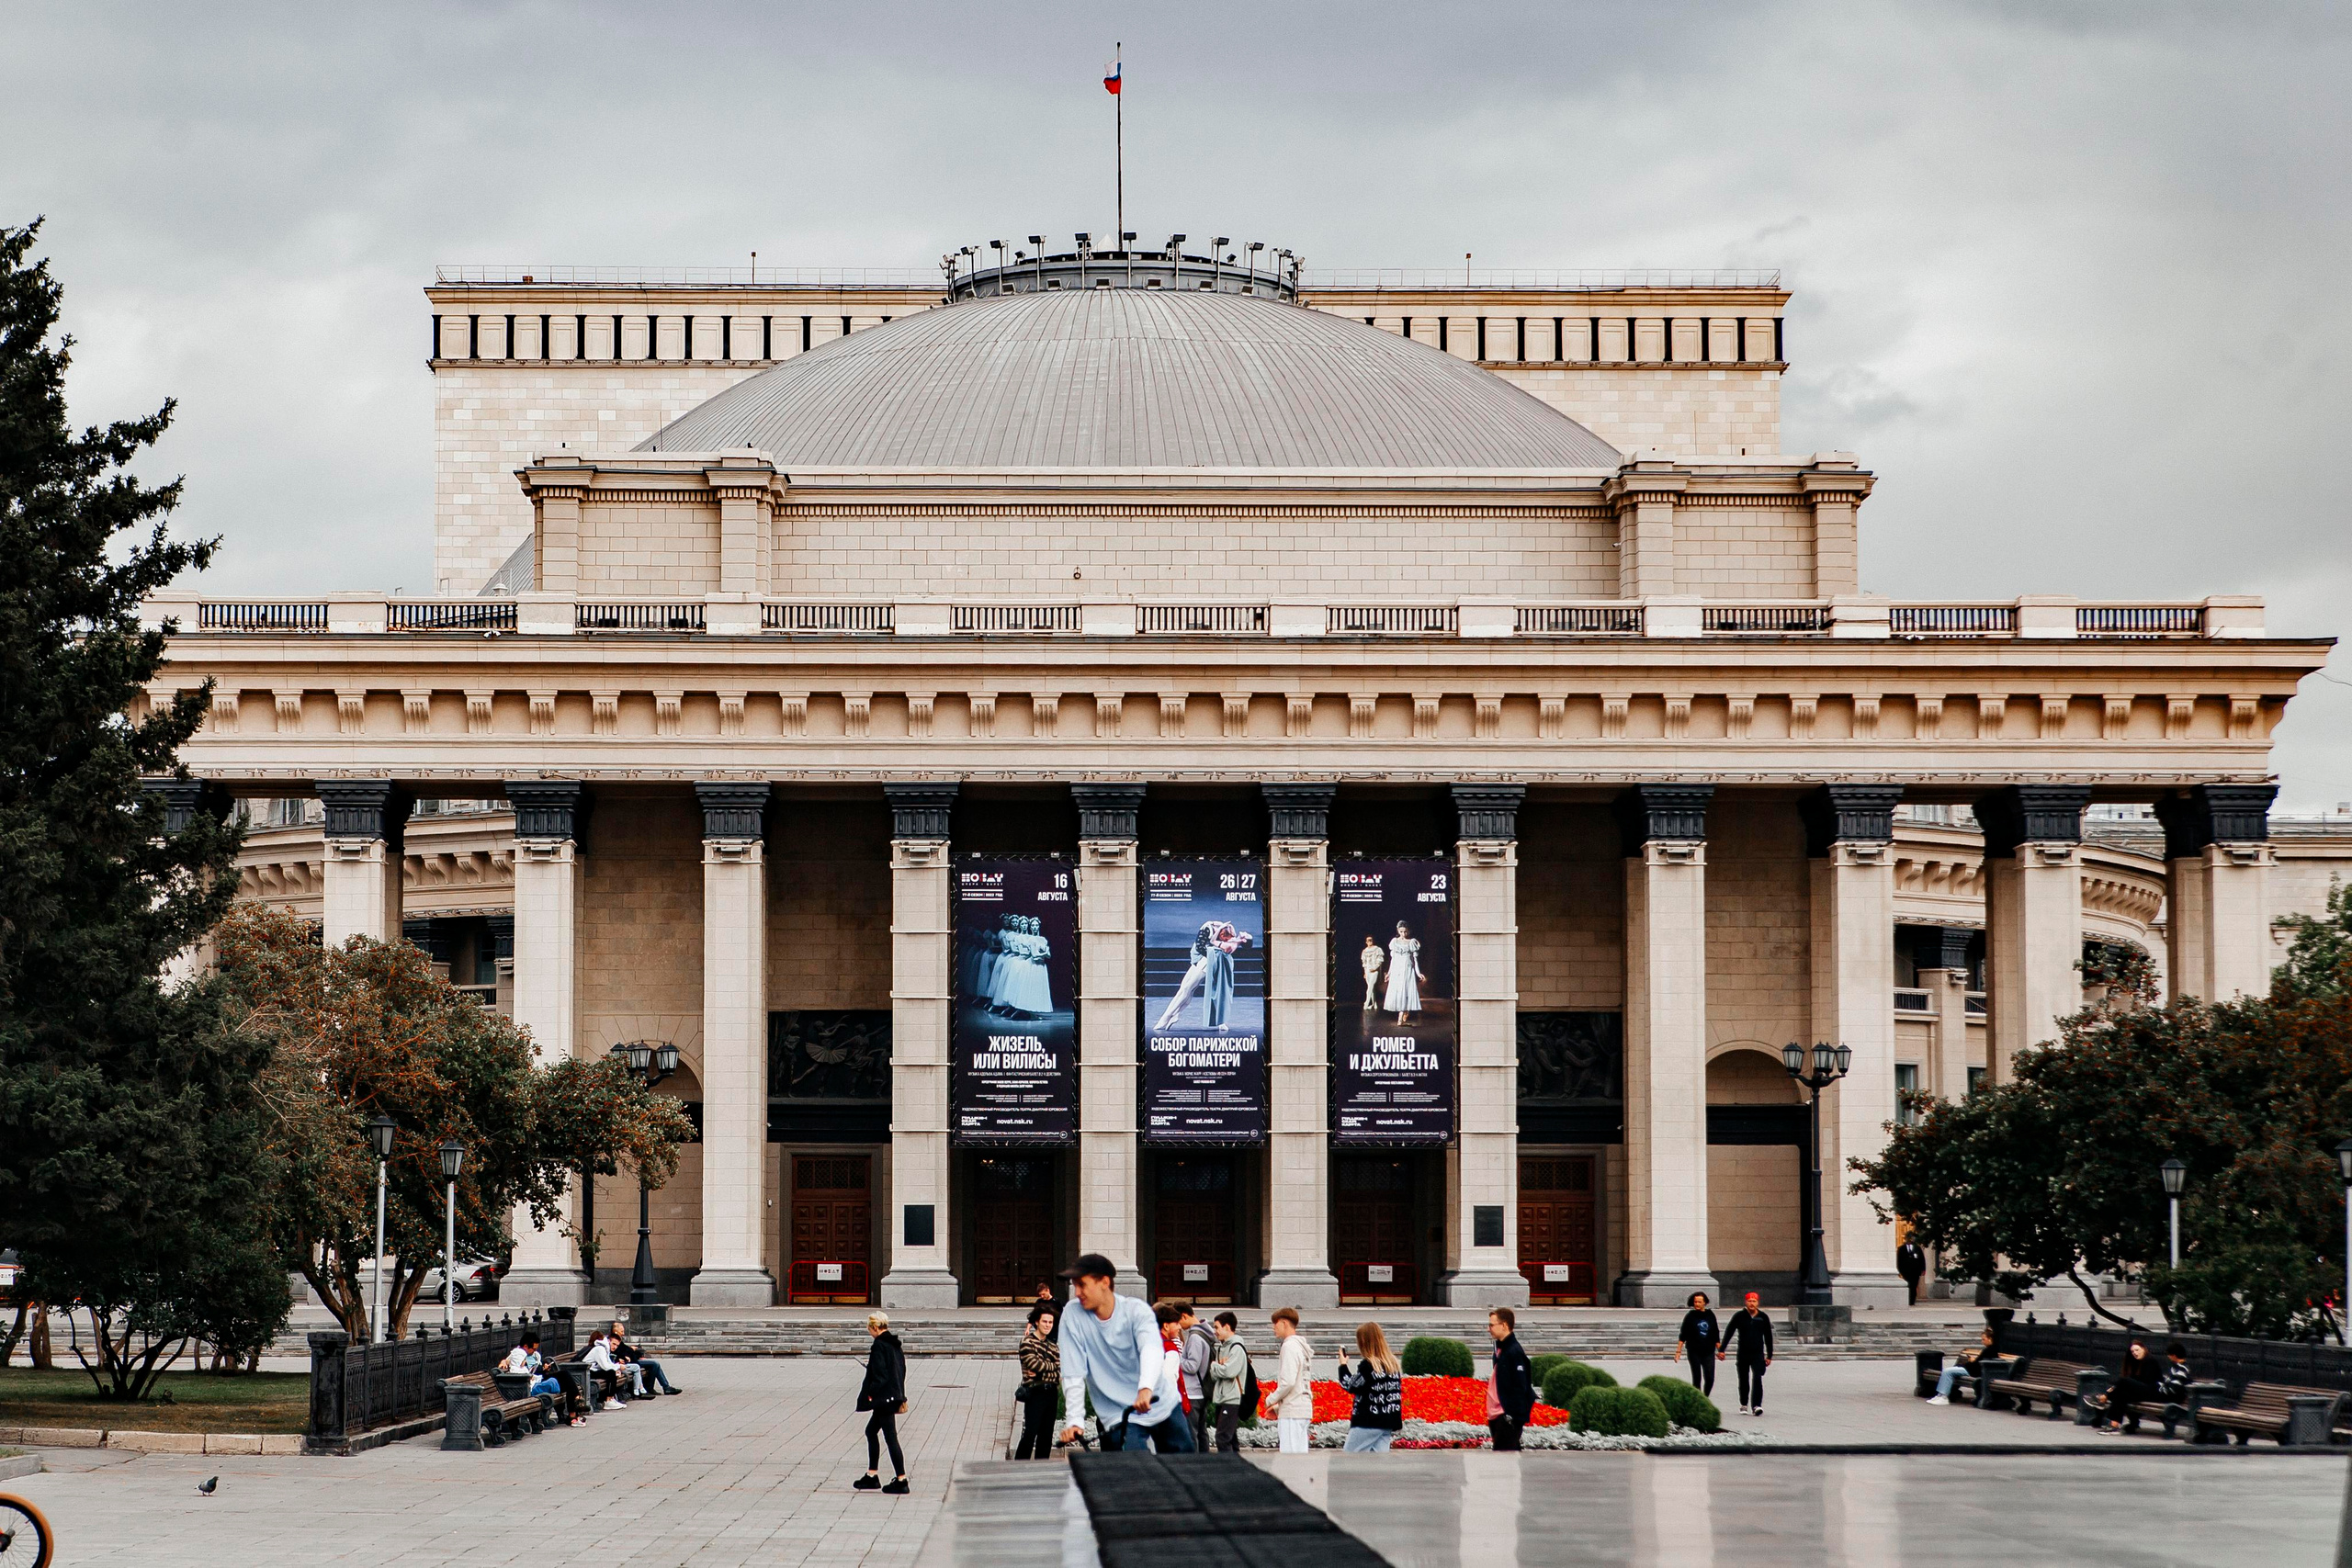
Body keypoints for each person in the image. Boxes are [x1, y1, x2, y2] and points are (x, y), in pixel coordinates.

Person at [1056, 1253, 1195, 1453]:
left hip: (1159, 1401)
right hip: (1118, 1414)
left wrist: (1146, 1388)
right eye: (1074, 1285)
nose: (1077, 1292)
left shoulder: (1136, 1311)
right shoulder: (1072, 1315)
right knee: (1133, 1472)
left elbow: (1151, 1349)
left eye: (1082, 1285)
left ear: (1104, 1282)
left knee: (1186, 1467)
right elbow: (1073, 1372)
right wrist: (1075, 1421)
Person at [854, 1311, 910, 1494]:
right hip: (893, 1395)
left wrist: (871, 1394)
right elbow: (900, 1369)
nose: (869, 1330)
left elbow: (880, 1374)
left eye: (869, 1327)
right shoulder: (894, 1344)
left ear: (875, 1327)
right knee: (871, 1431)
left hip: (884, 1398)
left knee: (890, 1437)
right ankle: (872, 1475)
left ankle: (901, 1480)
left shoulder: (879, 1345)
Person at [1335, 1322, 1405, 1452]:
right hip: (1388, 1421)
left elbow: (1350, 1385)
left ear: (1363, 1343)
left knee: (1349, 1460)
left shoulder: (1368, 1366)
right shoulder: (1392, 1364)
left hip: (1367, 1421)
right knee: (1378, 1463)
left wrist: (1343, 1366)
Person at [1265, 1307, 1316, 1453]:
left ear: (1284, 1323)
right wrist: (1278, 1407)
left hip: (1292, 1412)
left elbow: (1288, 1382)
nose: (1274, 1328)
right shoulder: (1301, 1346)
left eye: (1276, 1323)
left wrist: (1271, 1399)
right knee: (1299, 1455)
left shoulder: (1289, 1346)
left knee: (1290, 1458)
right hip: (1302, 1408)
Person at [501, 1330, 577, 1425]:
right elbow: (509, 1361)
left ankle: (573, 1410)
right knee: (565, 1380)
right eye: (533, 1349)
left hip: (539, 1377)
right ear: (525, 1346)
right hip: (533, 1382)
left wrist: (544, 1367)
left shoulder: (534, 1355)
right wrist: (504, 1362)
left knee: (565, 1377)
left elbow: (537, 1367)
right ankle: (574, 1410)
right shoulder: (518, 1354)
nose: (535, 1351)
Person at [1016, 1303, 1060, 1460]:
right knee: (1030, 1434)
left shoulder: (1053, 1346)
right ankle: (1018, 1467)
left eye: (1050, 1322)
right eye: (1045, 1322)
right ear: (1036, 1322)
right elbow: (1034, 1364)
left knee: (1046, 1436)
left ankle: (1042, 1469)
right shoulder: (1027, 1342)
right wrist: (1052, 1367)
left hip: (1051, 1393)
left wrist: (1047, 1370)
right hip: (1035, 1392)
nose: (1048, 1325)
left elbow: (1059, 1370)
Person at [1172, 1303, 1217, 1452]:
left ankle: (1195, 1463)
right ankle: (1204, 1463)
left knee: (1192, 1432)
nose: (1179, 1327)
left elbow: (1192, 1366)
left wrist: (1176, 1358)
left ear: (1184, 1316)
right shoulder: (1205, 1333)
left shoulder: (1195, 1337)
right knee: (1201, 1431)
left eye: (1179, 1322)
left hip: (1193, 1391)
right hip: (1202, 1390)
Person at [1207, 1312, 1253, 1453]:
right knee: (1230, 1437)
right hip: (1222, 1398)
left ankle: (1228, 1467)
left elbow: (1228, 1372)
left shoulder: (1236, 1348)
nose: (1215, 1331)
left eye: (1217, 1327)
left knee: (1222, 1437)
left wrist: (1214, 1366)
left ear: (1227, 1327)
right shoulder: (1222, 1347)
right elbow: (1217, 1375)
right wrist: (1219, 1367)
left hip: (1232, 1398)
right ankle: (1237, 1468)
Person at [2096, 1338, 2165, 1434]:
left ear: (2143, 1349)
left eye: (2137, 1350)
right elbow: (2133, 1380)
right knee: (2121, 1394)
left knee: (2123, 1381)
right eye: (2133, 1351)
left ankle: (2105, 1396)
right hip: (2142, 1391)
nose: (2135, 1353)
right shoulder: (2136, 1363)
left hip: (2153, 1392)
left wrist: (2111, 1391)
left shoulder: (2150, 1361)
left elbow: (2146, 1381)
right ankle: (2114, 1425)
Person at [1723, 1292, 1773, 1416]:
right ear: (1745, 1302)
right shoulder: (1739, 1316)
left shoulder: (1763, 1317)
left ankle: (1756, 1405)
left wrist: (1769, 1355)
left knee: (1757, 1378)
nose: (1752, 1303)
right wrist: (1722, 1349)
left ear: (1758, 1302)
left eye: (1754, 1301)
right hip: (1743, 1353)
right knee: (1743, 1379)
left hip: (1758, 1354)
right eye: (1749, 1301)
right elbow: (1729, 1332)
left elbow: (1768, 1336)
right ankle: (1744, 1404)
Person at [1927, 1327, 1996, 1404]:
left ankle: (1943, 1397)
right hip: (1971, 1369)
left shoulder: (1990, 1350)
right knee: (1948, 1371)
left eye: (1984, 1339)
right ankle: (1940, 1395)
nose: (1982, 1341)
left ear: (1990, 1339)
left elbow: (1978, 1365)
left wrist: (1972, 1361)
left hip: (1973, 1371)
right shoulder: (1988, 1350)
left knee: (1947, 1372)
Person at [610, 1320, 680, 1396]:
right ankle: (656, 1387)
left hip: (633, 1361)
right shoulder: (614, 1341)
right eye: (622, 1331)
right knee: (654, 1364)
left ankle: (664, 1387)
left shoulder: (618, 1340)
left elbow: (625, 1351)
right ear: (615, 1331)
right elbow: (620, 1353)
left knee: (654, 1364)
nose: (623, 1333)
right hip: (628, 1363)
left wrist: (638, 1355)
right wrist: (630, 1350)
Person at [1672, 1292, 1720, 1394]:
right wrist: (1678, 1351)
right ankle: (1698, 1401)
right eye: (1695, 1302)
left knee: (1710, 1378)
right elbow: (1683, 1334)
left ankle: (1705, 1397)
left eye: (1699, 1302)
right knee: (1697, 1378)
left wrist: (1720, 1349)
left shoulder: (1710, 1315)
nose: (1697, 1304)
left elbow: (1715, 1332)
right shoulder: (1690, 1316)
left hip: (1708, 1351)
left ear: (1705, 1303)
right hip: (1694, 1351)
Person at [1383, 921, 1424, 1024]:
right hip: (1397, 968)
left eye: (1405, 932)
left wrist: (1418, 973)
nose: (1403, 934)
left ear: (1408, 931)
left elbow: (1415, 960)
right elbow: (1393, 960)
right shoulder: (1394, 941)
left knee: (1406, 990)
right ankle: (1402, 1015)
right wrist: (1389, 973)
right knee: (1399, 991)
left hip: (1408, 967)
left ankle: (1402, 1016)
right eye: (1401, 932)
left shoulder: (1411, 942)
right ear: (1398, 931)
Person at [583, 1328, 633, 1406]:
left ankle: (610, 1398)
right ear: (609, 1341)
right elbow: (606, 1367)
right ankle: (608, 1400)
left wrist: (617, 1368)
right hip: (587, 1372)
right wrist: (618, 1366)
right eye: (614, 1344)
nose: (615, 1347)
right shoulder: (600, 1349)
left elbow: (609, 1363)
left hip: (593, 1370)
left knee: (612, 1373)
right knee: (611, 1373)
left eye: (617, 1345)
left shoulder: (605, 1349)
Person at [1896, 1239, 1928, 1307]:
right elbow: (1899, 1261)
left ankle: (1912, 1301)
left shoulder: (1917, 1248)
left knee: (1913, 1286)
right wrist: (1899, 1271)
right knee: (1908, 1285)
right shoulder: (1901, 1249)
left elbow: (1922, 1259)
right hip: (1905, 1272)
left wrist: (1923, 1270)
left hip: (1915, 1271)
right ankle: (1907, 1300)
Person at [1359, 935, 1385, 1010]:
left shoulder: (1377, 949)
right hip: (1368, 971)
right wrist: (1365, 973)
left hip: (1374, 971)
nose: (1370, 941)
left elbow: (1380, 961)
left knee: (1370, 986)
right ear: (1366, 942)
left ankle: (1366, 1003)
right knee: (1371, 987)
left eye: (1371, 940)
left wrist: (1375, 968)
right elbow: (1364, 963)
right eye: (1368, 940)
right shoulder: (1364, 951)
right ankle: (1374, 1003)